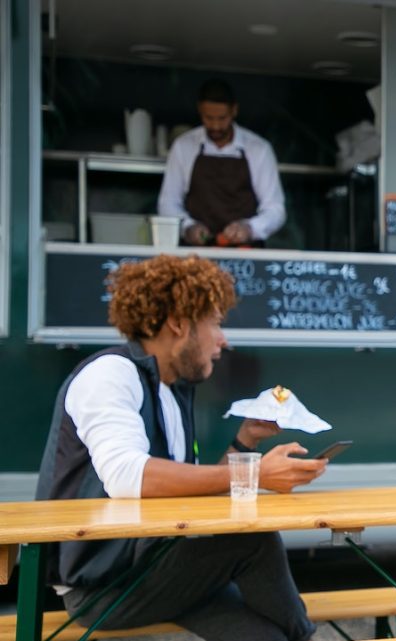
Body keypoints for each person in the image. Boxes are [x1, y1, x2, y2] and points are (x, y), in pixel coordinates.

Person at [36, 254, 326, 641]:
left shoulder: (170, 391)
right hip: (102, 586)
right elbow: (127, 477)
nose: (223, 340)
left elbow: (189, 486)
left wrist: (245, 441)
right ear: (179, 323)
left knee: (266, 635)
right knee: (254, 541)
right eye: (216, 323)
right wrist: (257, 474)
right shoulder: (110, 375)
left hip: (155, 569)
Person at [158, 78, 286, 247]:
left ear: (234, 111)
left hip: (244, 254)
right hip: (195, 255)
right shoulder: (183, 146)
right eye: (208, 118)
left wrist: (249, 228)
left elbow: (275, 209)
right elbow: (168, 202)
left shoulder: (259, 149)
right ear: (199, 111)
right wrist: (188, 226)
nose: (216, 126)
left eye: (222, 118)